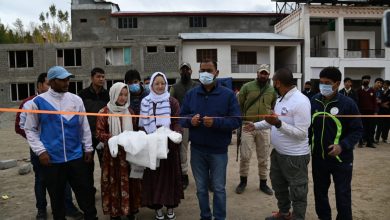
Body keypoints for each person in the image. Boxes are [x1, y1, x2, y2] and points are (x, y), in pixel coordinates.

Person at [24, 66, 97, 220]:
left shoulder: (75, 100)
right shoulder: (38, 102)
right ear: (51, 82)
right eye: (62, 80)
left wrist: (88, 148)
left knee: (85, 194)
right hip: (52, 160)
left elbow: (83, 126)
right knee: (57, 200)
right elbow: (30, 129)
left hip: (76, 157)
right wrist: (41, 151)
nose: (67, 82)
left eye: (68, 79)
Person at [244, 68, 311, 220]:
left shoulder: (300, 101)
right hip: (278, 153)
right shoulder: (281, 99)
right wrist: (256, 125)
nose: (272, 84)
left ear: (278, 82)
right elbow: (271, 121)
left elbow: (301, 134)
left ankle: (298, 217)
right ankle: (284, 213)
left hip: (295, 157)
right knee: (279, 186)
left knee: (298, 191)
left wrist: (279, 123)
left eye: (273, 81)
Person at [15, 72, 82, 220]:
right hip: (39, 150)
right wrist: (40, 145)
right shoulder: (29, 103)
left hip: (60, 150)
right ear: (40, 85)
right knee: (41, 180)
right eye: (47, 83)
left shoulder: (66, 100)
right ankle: (41, 210)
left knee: (63, 182)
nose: (49, 86)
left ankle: (68, 207)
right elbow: (21, 127)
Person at [180, 59, 241, 220]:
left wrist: (216, 122)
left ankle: (219, 217)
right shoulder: (191, 94)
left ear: (217, 73)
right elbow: (181, 117)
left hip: (218, 151)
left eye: (209, 70)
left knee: (219, 188)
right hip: (198, 150)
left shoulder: (227, 95)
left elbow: (236, 120)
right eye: (202, 71)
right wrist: (190, 121)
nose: (205, 74)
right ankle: (205, 216)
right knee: (201, 189)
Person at [310, 67, 363, 220]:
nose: (323, 86)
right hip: (319, 158)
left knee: (342, 194)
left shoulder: (348, 103)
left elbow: (357, 130)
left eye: (327, 83)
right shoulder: (314, 101)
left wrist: (342, 146)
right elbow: (309, 128)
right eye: (321, 83)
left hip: (341, 160)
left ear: (337, 84)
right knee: (320, 193)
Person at [139, 72, 184, 220]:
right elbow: (141, 125)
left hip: (169, 146)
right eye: (156, 83)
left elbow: (177, 122)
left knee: (170, 177)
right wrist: (145, 138)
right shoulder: (145, 102)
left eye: (162, 83)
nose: (160, 86)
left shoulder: (172, 102)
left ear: (166, 85)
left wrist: (175, 134)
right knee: (154, 178)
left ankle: (170, 207)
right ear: (151, 85)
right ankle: (157, 208)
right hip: (152, 147)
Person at [96, 82, 141, 220]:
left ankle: (130, 210)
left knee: (130, 181)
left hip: (128, 155)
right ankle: (115, 213)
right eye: (120, 94)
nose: (123, 98)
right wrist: (116, 138)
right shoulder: (104, 112)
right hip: (112, 156)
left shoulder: (130, 112)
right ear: (113, 94)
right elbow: (99, 133)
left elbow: (135, 129)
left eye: (125, 95)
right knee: (113, 183)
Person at [235, 64, 276, 195]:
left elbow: (273, 106)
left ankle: (263, 183)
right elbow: (239, 104)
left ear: (268, 75)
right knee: (245, 155)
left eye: (266, 73)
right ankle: (243, 182)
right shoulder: (247, 87)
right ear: (257, 73)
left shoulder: (272, 90)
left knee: (264, 157)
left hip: (264, 126)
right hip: (247, 124)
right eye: (261, 73)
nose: (263, 75)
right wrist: (241, 121)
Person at [170, 62, 200, 190]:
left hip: (198, 122)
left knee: (200, 150)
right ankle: (184, 175)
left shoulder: (198, 85)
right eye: (183, 70)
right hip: (183, 123)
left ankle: (203, 177)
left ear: (191, 71)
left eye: (187, 69)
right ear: (180, 72)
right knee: (183, 150)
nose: (185, 72)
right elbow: (171, 104)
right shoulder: (175, 87)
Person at [78, 67, 110, 166]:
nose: (101, 79)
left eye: (103, 77)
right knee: (86, 167)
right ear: (92, 78)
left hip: (103, 135)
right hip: (88, 136)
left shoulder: (108, 95)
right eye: (98, 76)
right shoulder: (83, 94)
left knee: (105, 165)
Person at [357, 75, 377, 148]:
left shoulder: (372, 90)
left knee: (370, 128)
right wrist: (357, 112)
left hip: (370, 113)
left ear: (369, 81)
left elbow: (374, 102)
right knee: (361, 127)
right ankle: (360, 142)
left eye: (368, 80)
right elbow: (357, 102)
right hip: (361, 112)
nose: (366, 81)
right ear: (362, 81)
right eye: (365, 79)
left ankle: (369, 143)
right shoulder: (358, 90)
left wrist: (375, 111)